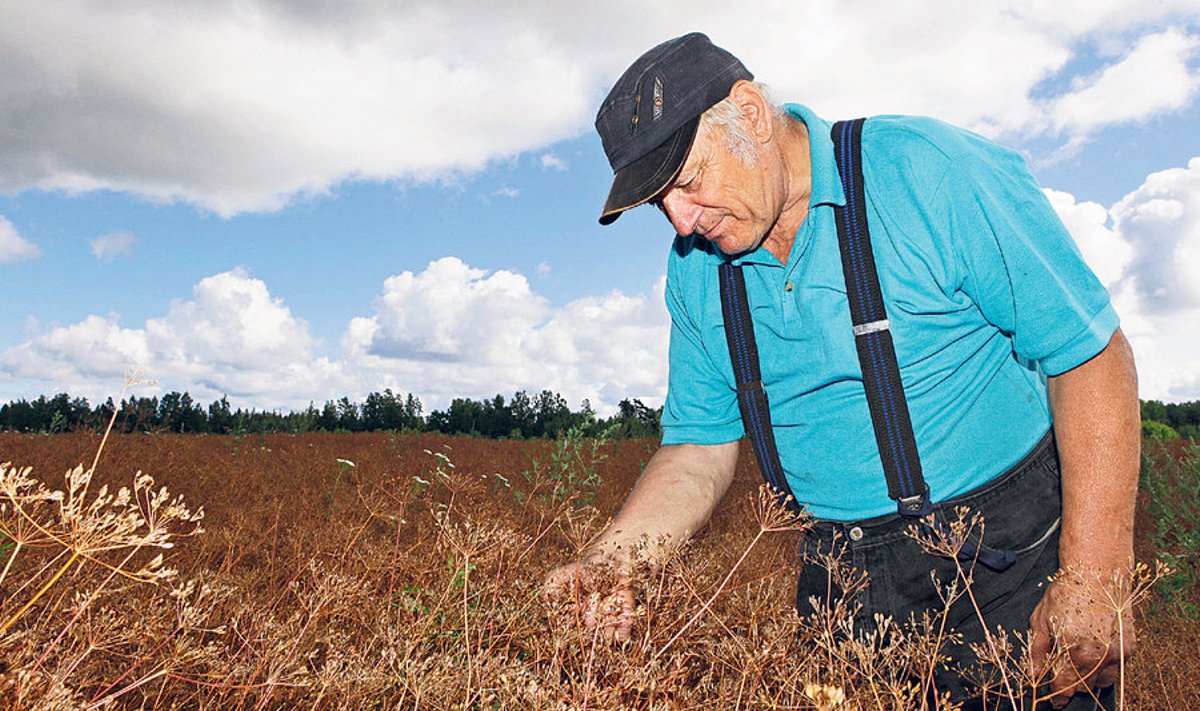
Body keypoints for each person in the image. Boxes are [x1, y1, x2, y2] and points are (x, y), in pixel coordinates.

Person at [545, 32, 1139, 709]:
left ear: (749, 114)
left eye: (687, 181)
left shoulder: (929, 173)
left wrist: (1094, 576)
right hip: (841, 587)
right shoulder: (695, 273)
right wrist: (610, 565)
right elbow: (697, 450)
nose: (680, 221)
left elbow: (1088, 355)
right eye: (660, 204)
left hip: (1006, 565)